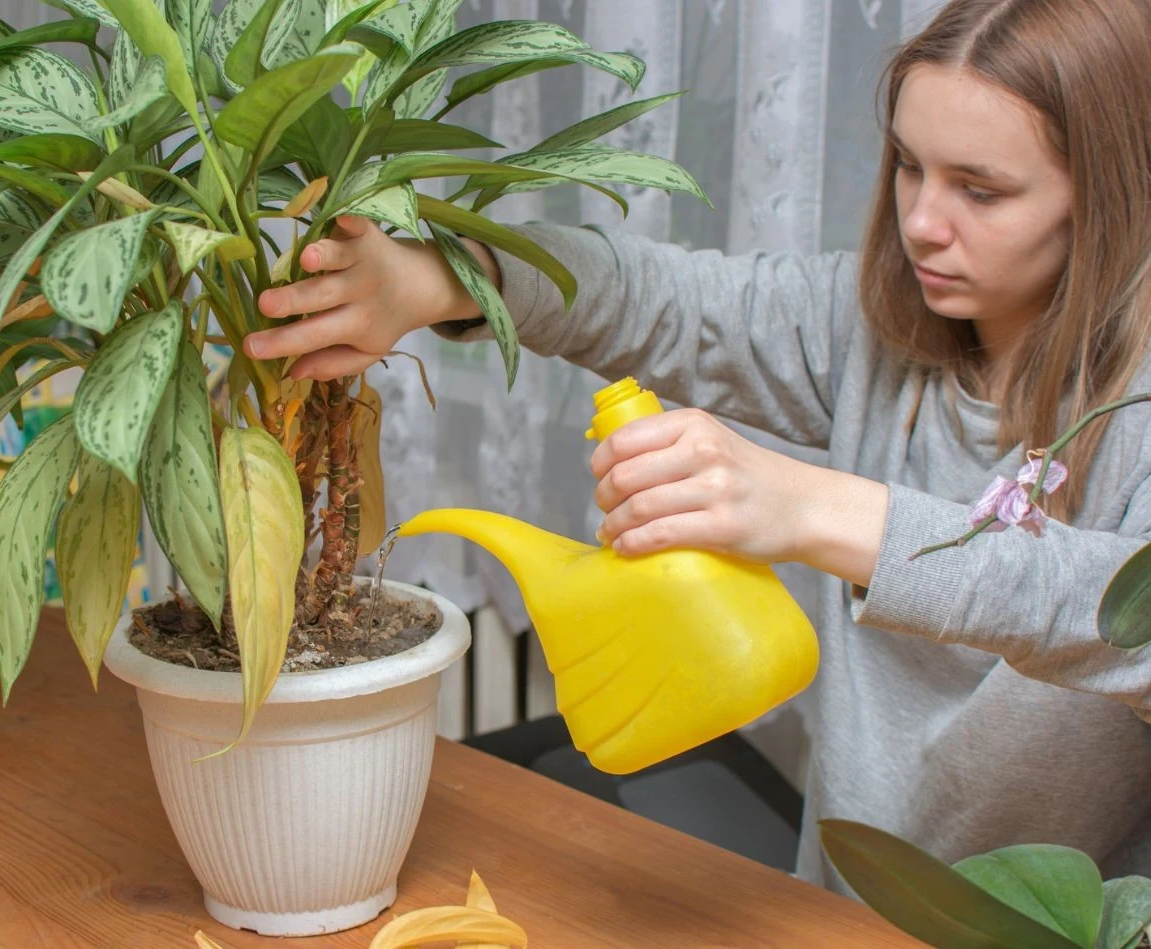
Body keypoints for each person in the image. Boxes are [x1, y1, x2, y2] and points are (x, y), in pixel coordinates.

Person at [248, 0, 1151, 894]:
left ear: (1109, 194)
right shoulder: (875, 328)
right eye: (911, 167)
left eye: (980, 190)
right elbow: (654, 297)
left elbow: (1117, 613)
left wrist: (817, 509)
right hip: (828, 916)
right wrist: (447, 277)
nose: (921, 221)